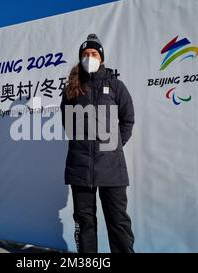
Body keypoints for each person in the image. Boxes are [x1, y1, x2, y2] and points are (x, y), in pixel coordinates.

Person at [60, 34, 135, 253]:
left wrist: (113, 145)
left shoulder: (115, 86)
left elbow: (127, 119)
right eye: (85, 54)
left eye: (93, 54)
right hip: (79, 166)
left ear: (101, 58)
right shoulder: (72, 89)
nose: (89, 57)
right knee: (85, 222)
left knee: (118, 221)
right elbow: (68, 122)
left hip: (112, 167)